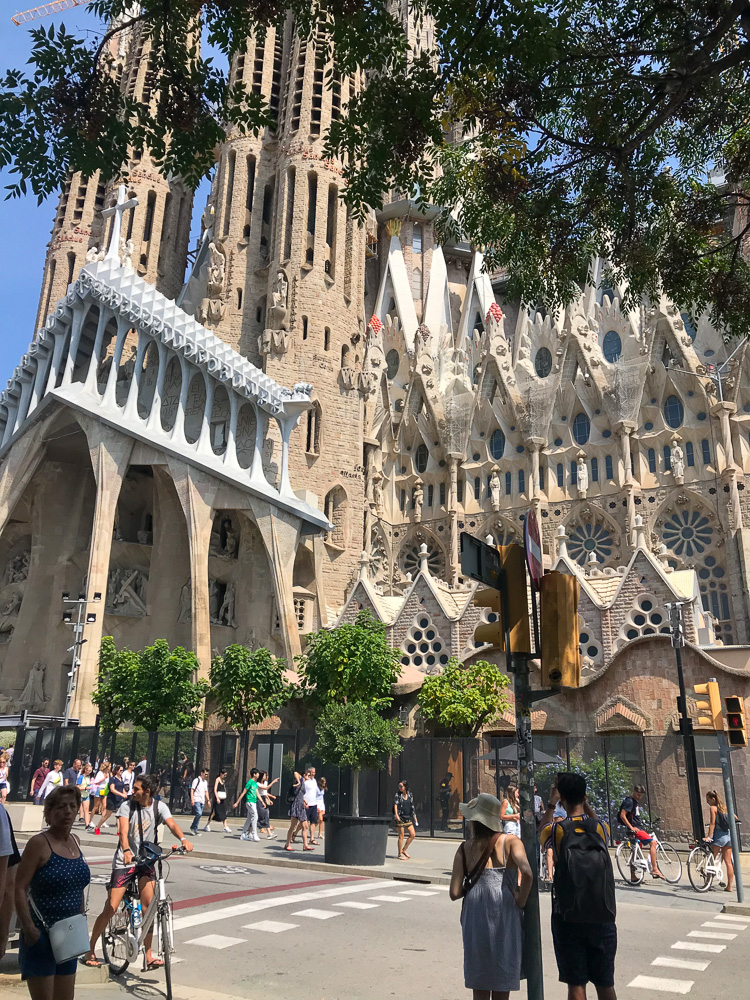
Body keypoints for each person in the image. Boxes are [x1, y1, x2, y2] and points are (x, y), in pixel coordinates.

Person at [82, 773, 192, 969]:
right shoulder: (127, 806)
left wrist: (183, 839)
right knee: (112, 906)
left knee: (148, 907)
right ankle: (90, 949)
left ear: (147, 792)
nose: (132, 791)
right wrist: (125, 851)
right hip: (126, 860)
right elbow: (123, 832)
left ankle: (148, 956)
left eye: (136, 789)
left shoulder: (159, 806)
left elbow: (172, 824)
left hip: (146, 861)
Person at [539, 773, 617, 1000]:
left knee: (576, 983)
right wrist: (586, 803)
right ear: (584, 796)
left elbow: (540, 833)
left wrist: (552, 804)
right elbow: (599, 823)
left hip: (568, 915)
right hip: (602, 914)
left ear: (561, 798)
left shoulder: (556, 830)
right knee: (605, 983)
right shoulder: (600, 828)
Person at [449, 792, 532, 999]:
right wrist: (520, 900)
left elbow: (454, 892)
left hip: (475, 913)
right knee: (502, 977)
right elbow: (528, 873)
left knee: (480, 980)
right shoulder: (511, 842)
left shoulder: (464, 848)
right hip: (504, 909)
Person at [15, 785, 91, 998]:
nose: (67, 811)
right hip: (42, 935)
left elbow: (77, 884)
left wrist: (81, 918)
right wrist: (29, 929)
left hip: (69, 935)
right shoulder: (39, 844)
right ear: (48, 812)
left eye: (72, 806)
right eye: (60, 807)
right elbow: (19, 887)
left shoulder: (76, 841)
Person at [618, 784, 664, 880]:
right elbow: (623, 815)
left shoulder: (634, 802)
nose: (639, 796)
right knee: (653, 842)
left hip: (637, 828)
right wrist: (632, 827)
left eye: (641, 795)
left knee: (635, 852)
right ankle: (655, 869)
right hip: (636, 829)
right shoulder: (630, 801)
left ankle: (633, 876)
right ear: (634, 791)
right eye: (638, 794)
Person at [705, 789, 736, 893]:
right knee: (728, 863)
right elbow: (735, 818)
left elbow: (712, 824)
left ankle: (707, 883)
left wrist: (709, 837)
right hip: (728, 836)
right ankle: (729, 886)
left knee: (711, 860)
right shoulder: (725, 808)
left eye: (708, 799)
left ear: (713, 799)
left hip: (719, 837)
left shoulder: (713, 808)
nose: (707, 802)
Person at [94, 764, 127, 835]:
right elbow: (112, 789)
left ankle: (119, 831)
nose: (122, 772)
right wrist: (121, 794)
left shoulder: (121, 779)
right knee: (107, 815)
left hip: (119, 799)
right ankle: (98, 827)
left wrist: (124, 793)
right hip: (112, 798)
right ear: (116, 771)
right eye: (120, 770)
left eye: (122, 770)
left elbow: (122, 788)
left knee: (119, 815)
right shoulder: (112, 779)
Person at [285, 771, 312, 852]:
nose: (309, 777)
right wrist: (299, 781)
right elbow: (295, 772)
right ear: (304, 775)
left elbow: (301, 794)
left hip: (301, 806)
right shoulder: (299, 780)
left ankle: (305, 845)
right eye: (308, 775)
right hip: (295, 806)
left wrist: (304, 801)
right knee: (293, 826)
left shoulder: (303, 784)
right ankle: (287, 844)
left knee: (305, 826)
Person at [233, 768, 260, 841]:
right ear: (254, 774)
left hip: (254, 802)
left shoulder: (255, 783)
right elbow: (243, 793)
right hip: (249, 802)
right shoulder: (250, 782)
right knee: (255, 815)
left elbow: (257, 793)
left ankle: (243, 833)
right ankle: (254, 834)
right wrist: (237, 802)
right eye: (257, 773)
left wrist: (262, 802)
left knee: (249, 818)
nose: (258, 775)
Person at [394, 780, 417, 860]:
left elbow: (412, 805)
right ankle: (400, 853)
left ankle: (404, 849)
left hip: (408, 817)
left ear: (405, 787)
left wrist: (414, 816)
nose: (400, 788)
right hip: (400, 817)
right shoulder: (398, 795)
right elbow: (396, 804)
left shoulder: (410, 795)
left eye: (401, 786)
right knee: (401, 836)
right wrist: (396, 814)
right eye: (399, 786)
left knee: (413, 834)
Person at [205, 769, 232, 834]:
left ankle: (225, 826)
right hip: (218, 798)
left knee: (224, 812)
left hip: (222, 799)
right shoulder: (217, 779)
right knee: (214, 812)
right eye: (224, 775)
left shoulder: (223, 780)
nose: (225, 776)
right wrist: (217, 798)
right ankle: (207, 825)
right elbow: (215, 789)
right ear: (221, 774)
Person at [256, 771, 279, 840]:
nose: (266, 777)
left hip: (264, 799)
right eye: (265, 775)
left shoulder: (265, 783)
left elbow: (265, 793)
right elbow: (265, 789)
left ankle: (269, 833)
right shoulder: (257, 784)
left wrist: (269, 799)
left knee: (266, 815)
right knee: (260, 816)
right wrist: (273, 782)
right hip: (259, 800)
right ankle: (249, 831)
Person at [190, 768, 210, 835]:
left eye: (207, 774)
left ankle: (195, 829)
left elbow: (206, 792)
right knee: (199, 813)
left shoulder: (205, 782)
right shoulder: (196, 780)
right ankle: (193, 827)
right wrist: (192, 799)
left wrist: (208, 800)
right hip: (196, 799)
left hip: (202, 800)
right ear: (202, 773)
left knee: (199, 815)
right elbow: (192, 790)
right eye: (205, 774)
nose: (206, 776)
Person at [303, 767, 320, 844]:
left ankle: (312, 838)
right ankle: (295, 833)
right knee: (304, 823)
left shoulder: (315, 781)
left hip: (314, 804)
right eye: (312, 772)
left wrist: (318, 805)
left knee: (313, 822)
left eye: (314, 772)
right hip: (307, 805)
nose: (313, 774)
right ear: (309, 773)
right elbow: (302, 793)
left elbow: (316, 793)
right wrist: (304, 802)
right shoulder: (305, 782)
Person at [79, 764, 93, 829]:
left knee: (86, 810)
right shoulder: (81, 777)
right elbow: (77, 787)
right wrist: (85, 788)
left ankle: (87, 825)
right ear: (85, 770)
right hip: (80, 794)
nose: (89, 772)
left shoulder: (88, 777)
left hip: (86, 794)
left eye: (91, 770)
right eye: (89, 770)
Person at [315, 776, 327, 842]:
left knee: (322, 820)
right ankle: (313, 826)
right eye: (323, 783)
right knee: (320, 819)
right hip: (317, 804)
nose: (324, 784)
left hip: (322, 804)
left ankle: (320, 833)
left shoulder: (323, 789)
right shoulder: (316, 788)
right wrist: (317, 806)